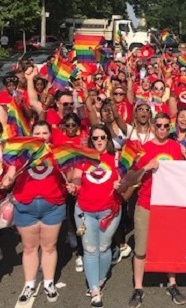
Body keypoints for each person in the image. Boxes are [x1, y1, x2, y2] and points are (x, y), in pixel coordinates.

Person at [120, 113, 186, 307]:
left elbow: (183, 175)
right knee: (141, 249)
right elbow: (129, 179)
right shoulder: (143, 149)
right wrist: (146, 168)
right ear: (152, 127)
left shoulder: (175, 148)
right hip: (146, 204)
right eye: (159, 125)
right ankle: (138, 287)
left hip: (169, 206)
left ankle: (172, 283)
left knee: (169, 246)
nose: (163, 129)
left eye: (167, 126)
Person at [0, 121, 67, 304]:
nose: (41, 135)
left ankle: (48, 282)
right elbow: (10, 174)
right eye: (37, 132)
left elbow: (69, 172)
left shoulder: (57, 153)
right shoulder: (21, 155)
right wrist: (7, 180)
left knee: (49, 246)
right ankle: (29, 284)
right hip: (25, 206)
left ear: (50, 135)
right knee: (29, 248)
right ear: (31, 134)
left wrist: (72, 183)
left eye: (45, 132)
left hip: (52, 205)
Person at [67, 125, 122, 308]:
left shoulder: (116, 159)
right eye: (96, 138)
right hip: (85, 211)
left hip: (110, 211)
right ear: (91, 139)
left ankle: (99, 279)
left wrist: (120, 185)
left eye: (103, 137)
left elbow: (125, 180)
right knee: (90, 249)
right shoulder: (83, 159)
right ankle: (95, 290)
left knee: (104, 247)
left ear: (108, 139)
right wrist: (74, 186)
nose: (99, 141)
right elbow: (76, 178)